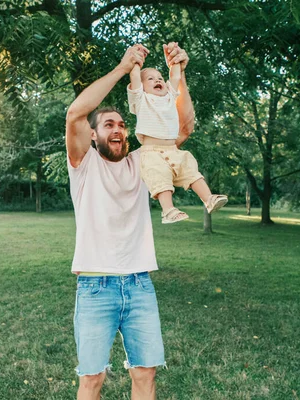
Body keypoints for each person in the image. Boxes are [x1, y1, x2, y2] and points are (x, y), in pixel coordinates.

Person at [65, 43, 193, 400]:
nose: (118, 129)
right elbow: (75, 112)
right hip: (95, 288)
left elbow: (181, 127)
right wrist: (124, 68)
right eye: (108, 124)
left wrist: (177, 77)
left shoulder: (143, 160)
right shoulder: (83, 163)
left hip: (140, 286)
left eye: (122, 123)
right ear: (93, 134)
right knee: (91, 380)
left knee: (146, 375)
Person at [127, 45, 228, 223]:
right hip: (151, 152)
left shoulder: (169, 97)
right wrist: (136, 60)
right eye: (150, 79)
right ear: (141, 87)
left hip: (173, 149)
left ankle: (208, 199)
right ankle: (168, 210)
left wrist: (174, 59)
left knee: (190, 167)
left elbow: (175, 75)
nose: (157, 80)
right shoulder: (140, 99)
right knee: (159, 176)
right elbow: (134, 76)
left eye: (159, 78)